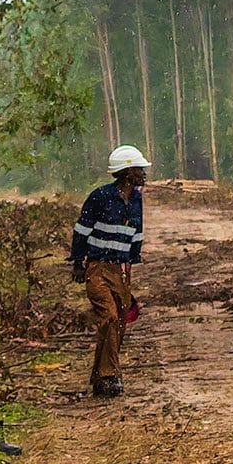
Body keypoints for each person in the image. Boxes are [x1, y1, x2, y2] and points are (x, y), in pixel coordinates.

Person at [71, 145, 148, 398]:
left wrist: (130, 267)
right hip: (97, 268)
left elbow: (137, 234)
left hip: (120, 271)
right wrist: (78, 264)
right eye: (139, 170)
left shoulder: (136, 200)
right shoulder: (100, 197)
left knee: (116, 325)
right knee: (110, 316)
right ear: (126, 173)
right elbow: (81, 231)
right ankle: (110, 375)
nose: (144, 175)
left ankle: (99, 376)